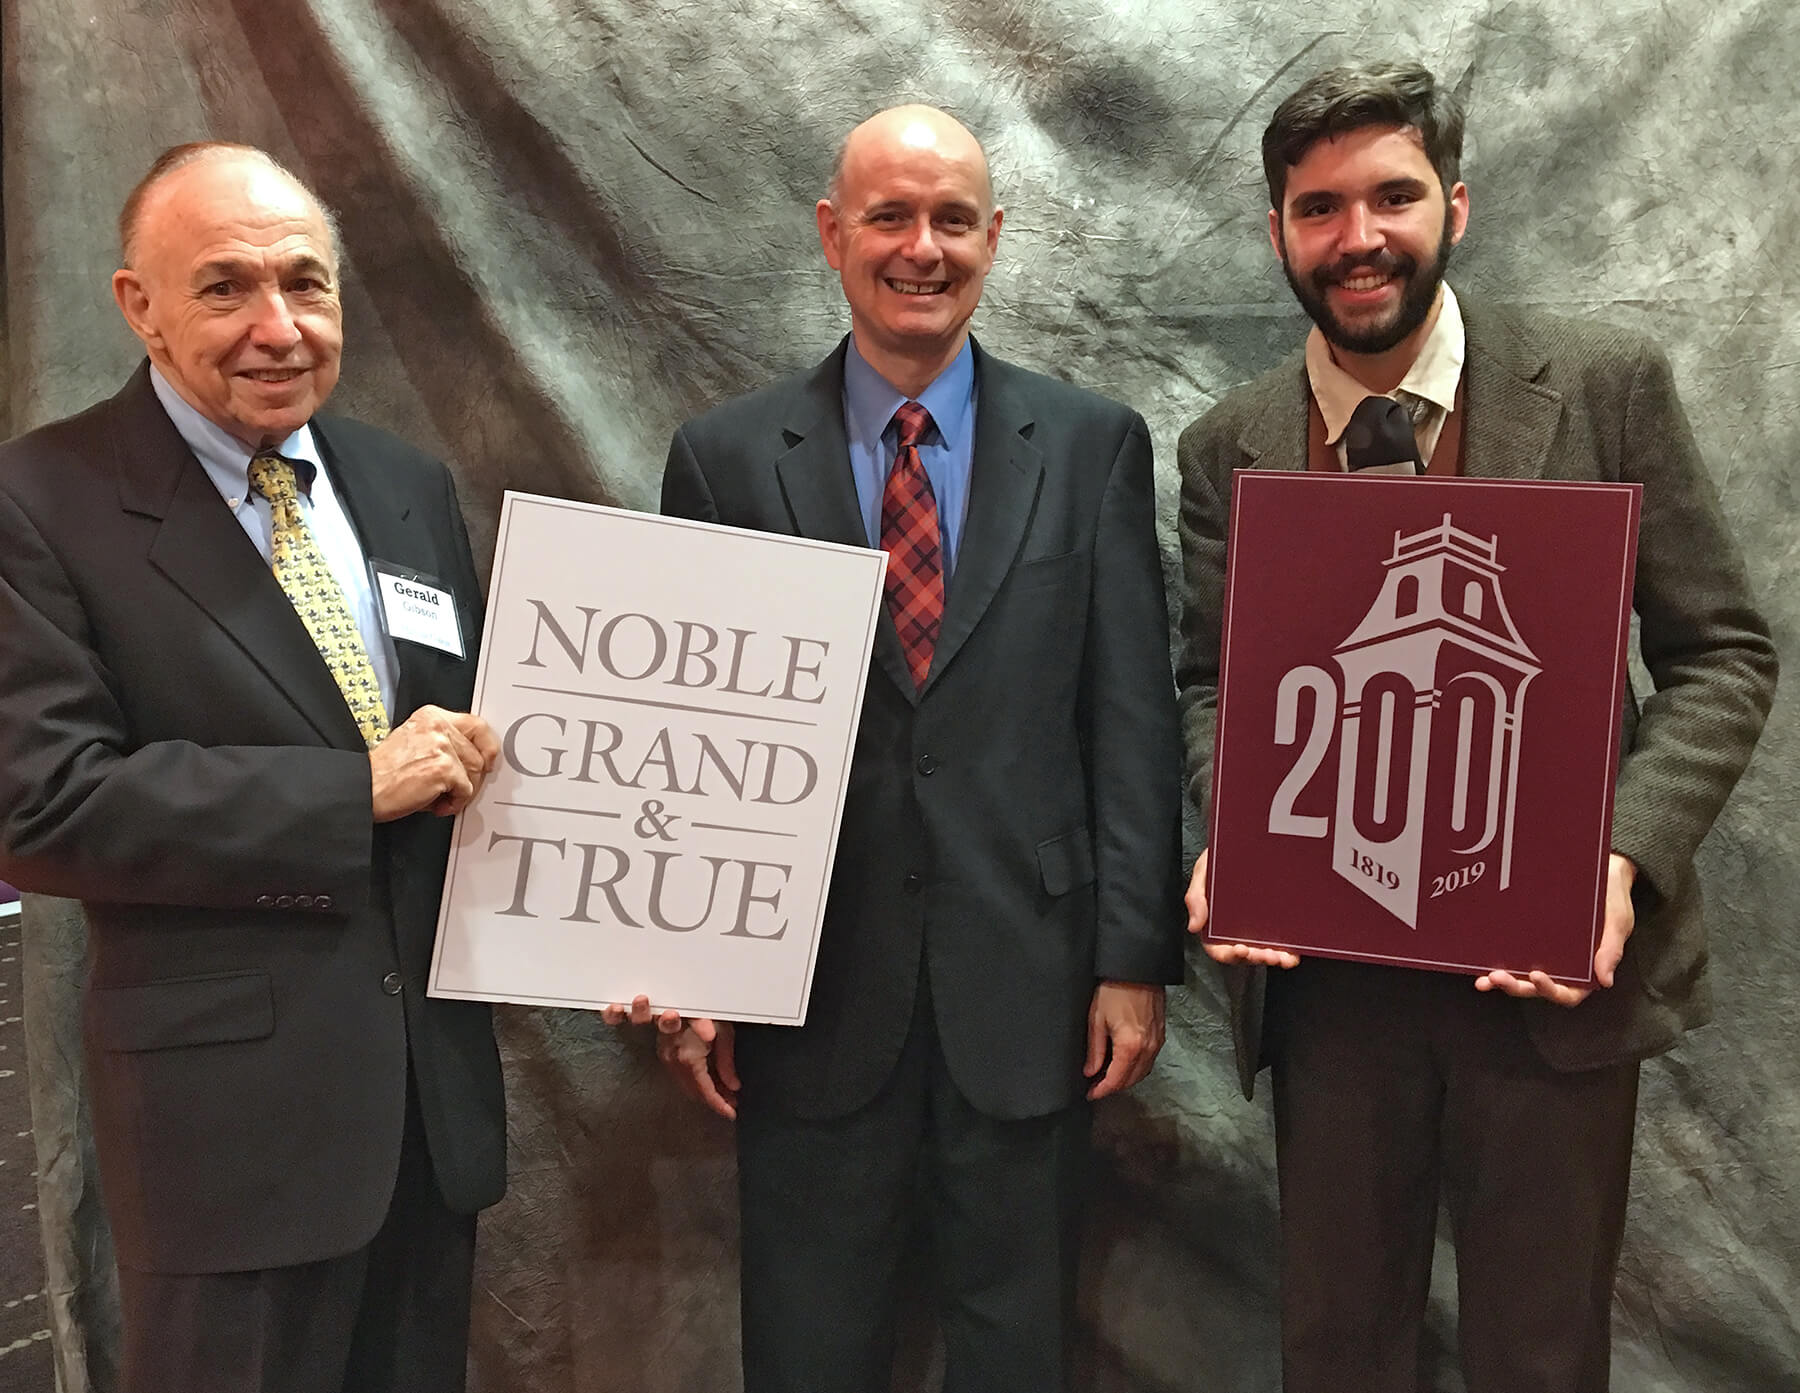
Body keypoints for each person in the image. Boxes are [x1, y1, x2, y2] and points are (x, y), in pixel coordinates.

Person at [1176, 62, 1778, 1392]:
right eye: (1318, 207)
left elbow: (1724, 651)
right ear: (1278, 229)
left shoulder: (1605, 385)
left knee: (1539, 1357)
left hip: (1549, 989)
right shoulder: (1230, 445)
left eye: (1391, 196)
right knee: (1336, 1353)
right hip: (1330, 990)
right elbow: (1215, 682)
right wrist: (1235, 829)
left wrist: (1615, 864)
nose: (1358, 237)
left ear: (1456, 202)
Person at [614, 104, 1184, 1392]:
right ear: (832, 233)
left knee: (1016, 1346)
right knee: (811, 1346)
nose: (921, 247)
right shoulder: (725, 457)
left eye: (952, 220)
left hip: (1034, 988)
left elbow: (1132, 719)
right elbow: (682, 745)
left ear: (996, 236)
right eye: (889, 215)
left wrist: (1132, 959)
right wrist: (687, 962)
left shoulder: (1092, 446)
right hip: (805, 992)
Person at [0, 142, 507, 1393]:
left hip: (426, 1131)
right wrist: (350, 792)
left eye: (306, 283)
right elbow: (40, 803)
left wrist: (620, 932)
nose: (277, 327)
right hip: (227, 1146)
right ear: (139, 307)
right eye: (225, 287)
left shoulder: (404, 487)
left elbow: (477, 757)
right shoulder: (40, 502)